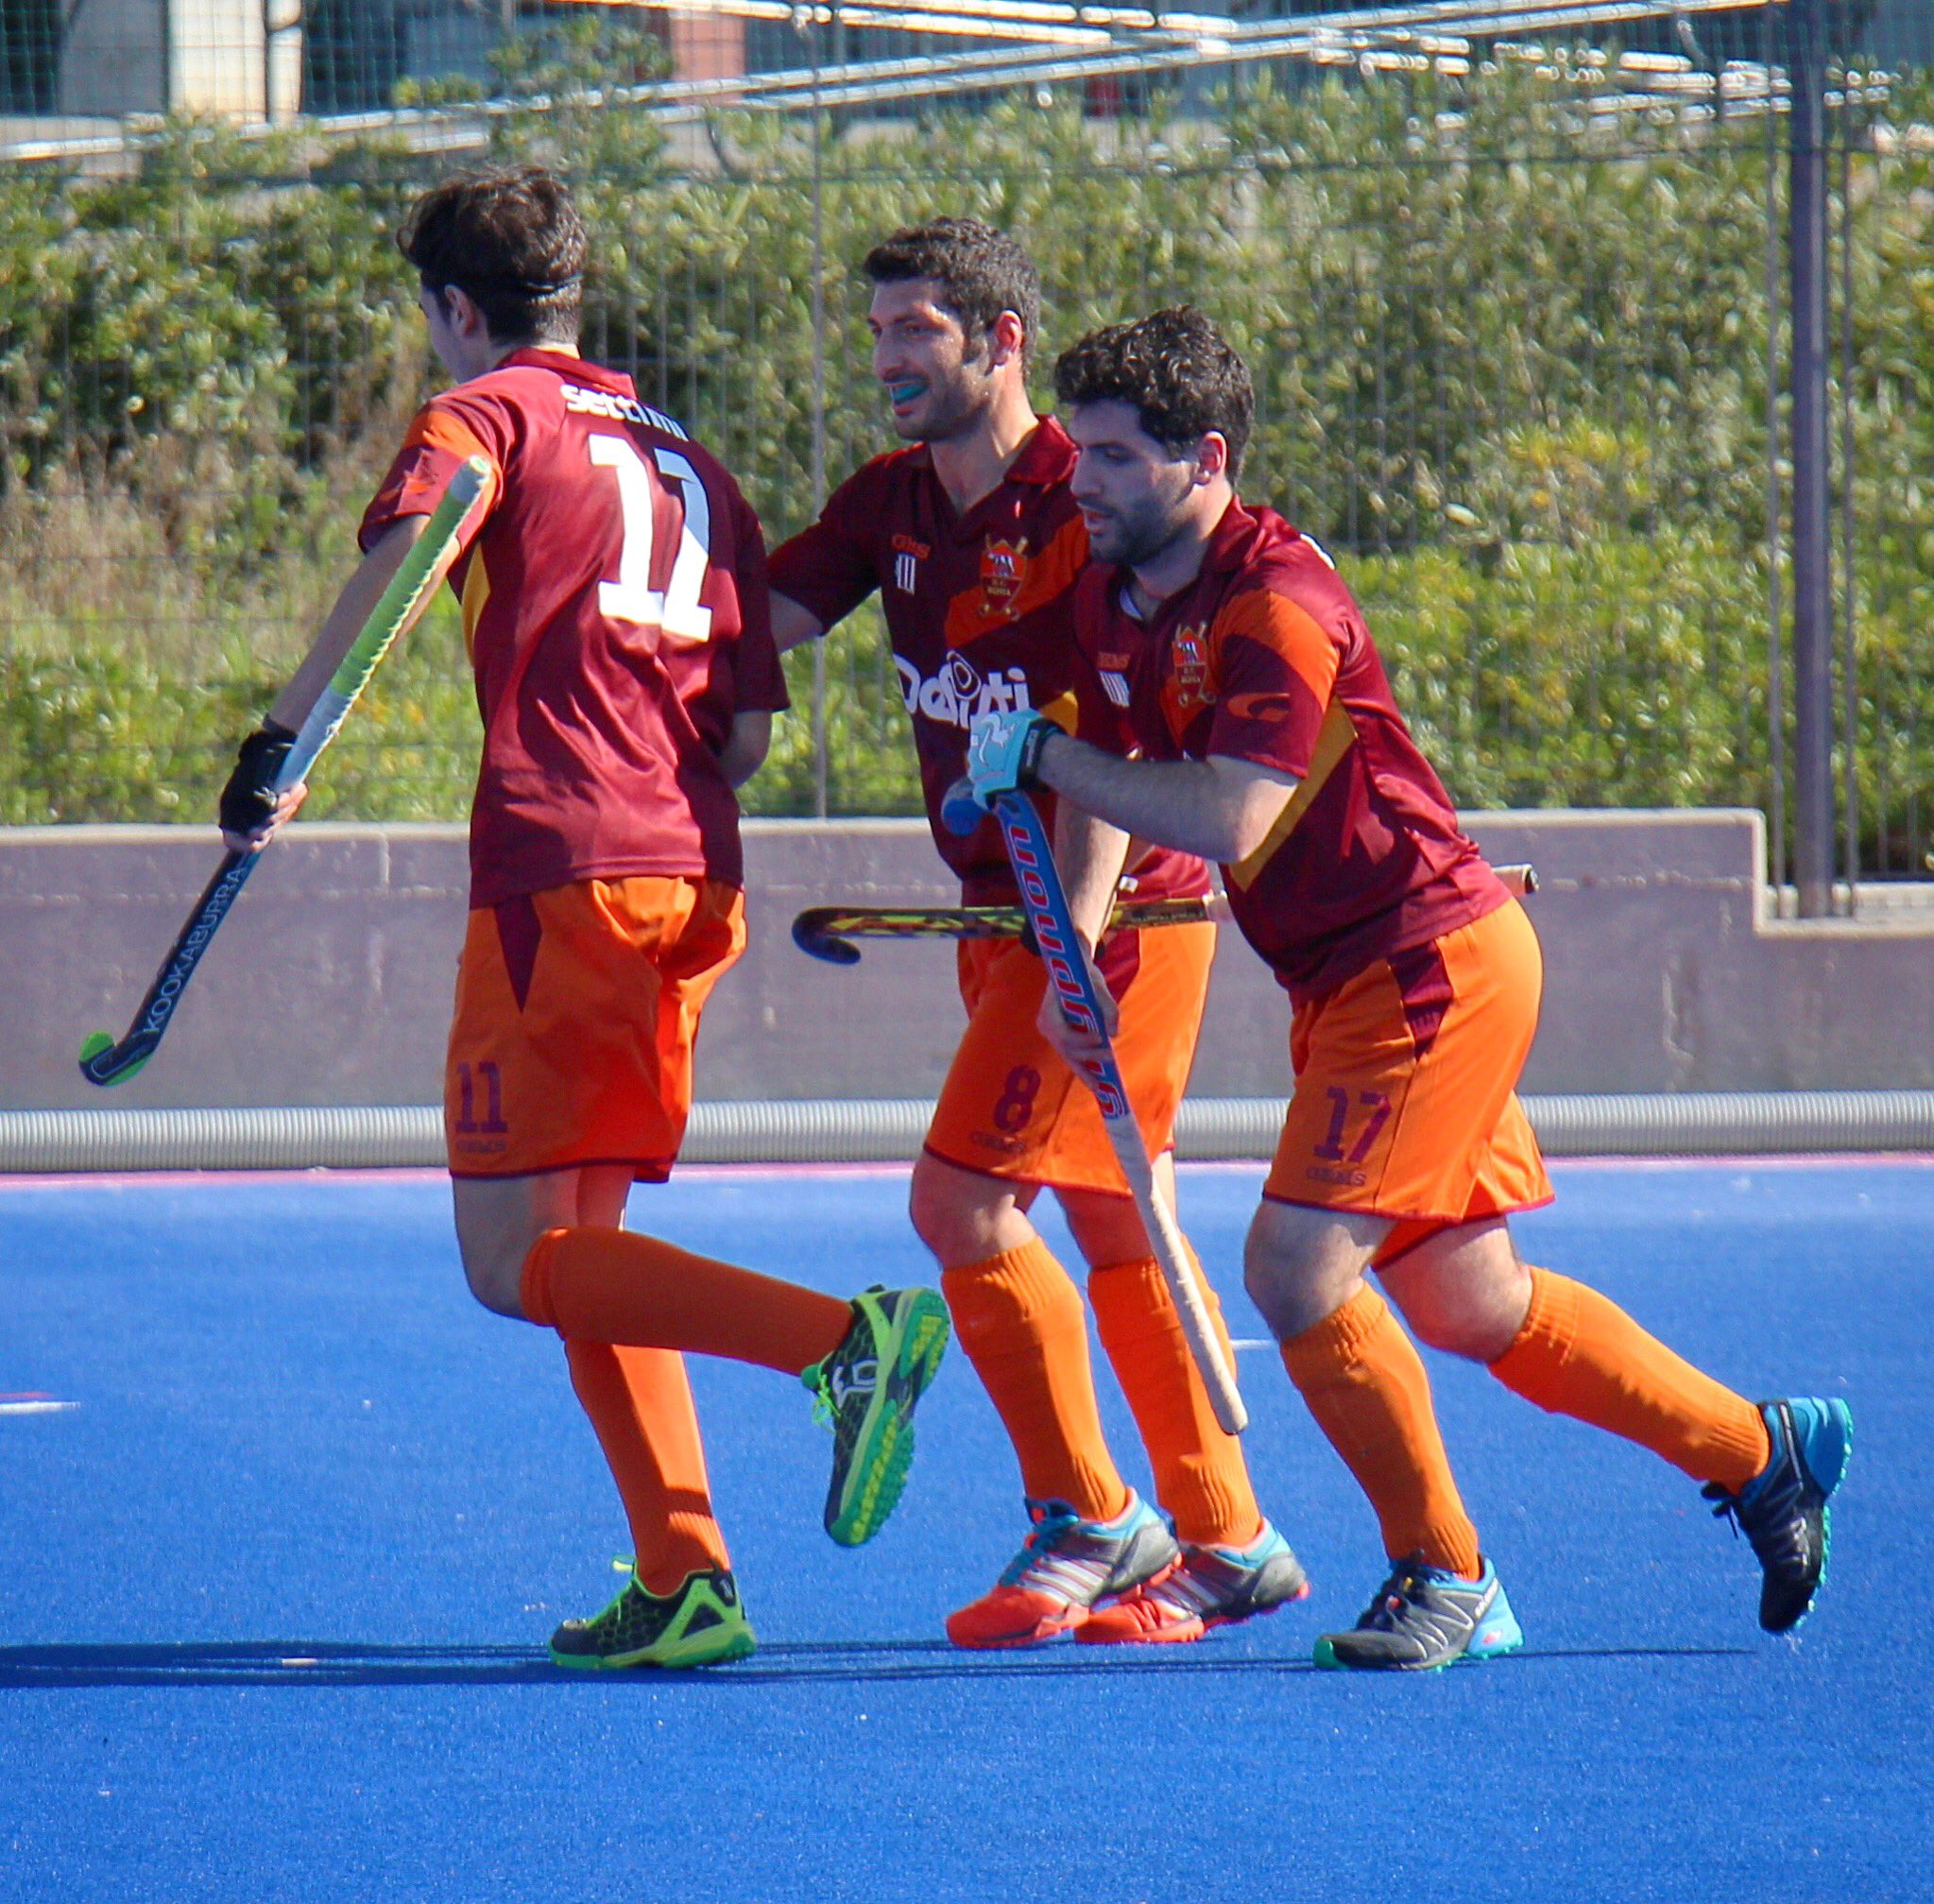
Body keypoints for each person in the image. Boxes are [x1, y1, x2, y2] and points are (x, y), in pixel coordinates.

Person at [962, 305, 1851, 1669]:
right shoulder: (1116, 593)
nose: (1086, 480)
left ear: (1207, 460)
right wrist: (1075, 941)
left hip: (1427, 968)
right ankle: (1760, 1452)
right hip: (1352, 981)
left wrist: (1042, 760)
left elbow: (1229, 813)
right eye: (1082, 452)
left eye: (1121, 457)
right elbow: (1111, 774)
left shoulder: (1276, 602)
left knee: (1295, 1267)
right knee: (1469, 1301)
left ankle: (1448, 1573)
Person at [216, 165, 950, 1672]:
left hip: (564, 874)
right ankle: (687, 1578)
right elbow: (747, 736)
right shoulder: (695, 461)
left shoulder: (484, 416)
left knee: (510, 1262)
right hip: (690, 877)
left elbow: (408, 561)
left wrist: (281, 743)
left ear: (456, 308)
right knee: (583, 1245)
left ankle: (843, 1342)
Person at [767, 220, 1305, 1648]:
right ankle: (1229, 1536)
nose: (887, 358)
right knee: (1119, 1221)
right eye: (878, 331)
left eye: (918, 330)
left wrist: (1069, 934)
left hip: (1109, 909)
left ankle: (1090, 1511)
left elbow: (1119, 727)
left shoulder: (1085, 500)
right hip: (1000, 909)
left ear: (1001, 343)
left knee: (959, 1206)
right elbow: (759, 620)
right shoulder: (891, 500)